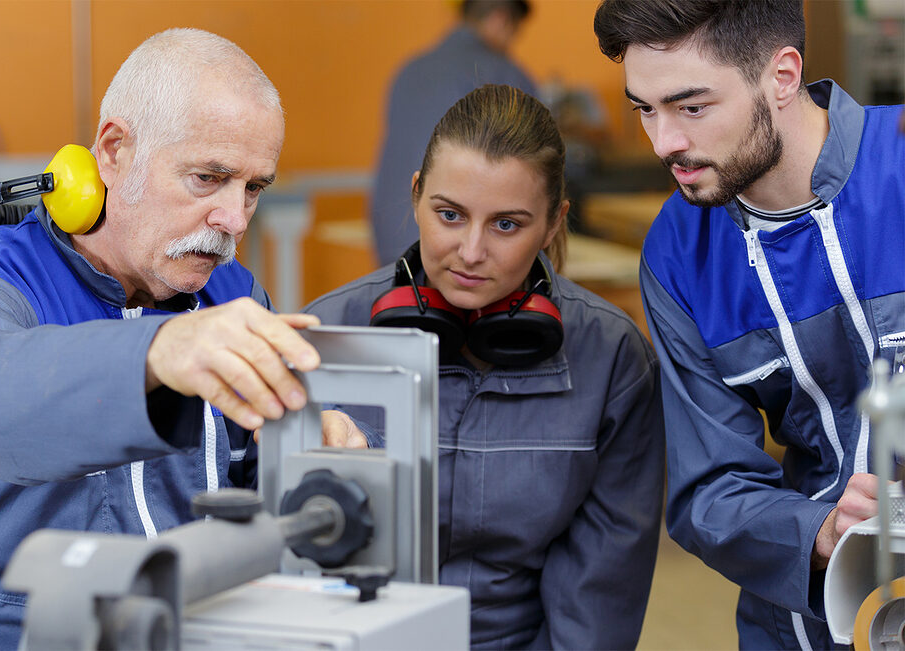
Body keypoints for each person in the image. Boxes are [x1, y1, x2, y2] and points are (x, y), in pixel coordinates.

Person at [0, 29, 331, 649]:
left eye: (253, 188)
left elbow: (258, 480)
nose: (233, 220)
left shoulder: (233, 296)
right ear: (114, 151)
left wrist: (318, 445)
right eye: (207, 178)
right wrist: (158, 353)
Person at [305, 84, 664, 648]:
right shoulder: (324, 335)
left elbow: (599, 599)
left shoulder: (611, 357)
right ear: (417, 195)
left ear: (553, 223)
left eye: (506, 225)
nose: (471, 251)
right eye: (450, 215)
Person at [593, 1, 905, 647]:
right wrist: (822, 534)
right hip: (803, 623)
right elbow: (712, 485)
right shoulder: (678, 255)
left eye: (692, 107)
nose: (663, 142)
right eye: (644, 108)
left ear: (782, 76)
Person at [369, 0, 537, 266]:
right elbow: (538, 165)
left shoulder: (409, 69)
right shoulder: (502, 72)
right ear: (500, 20)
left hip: (391, 245)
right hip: (457, 255)